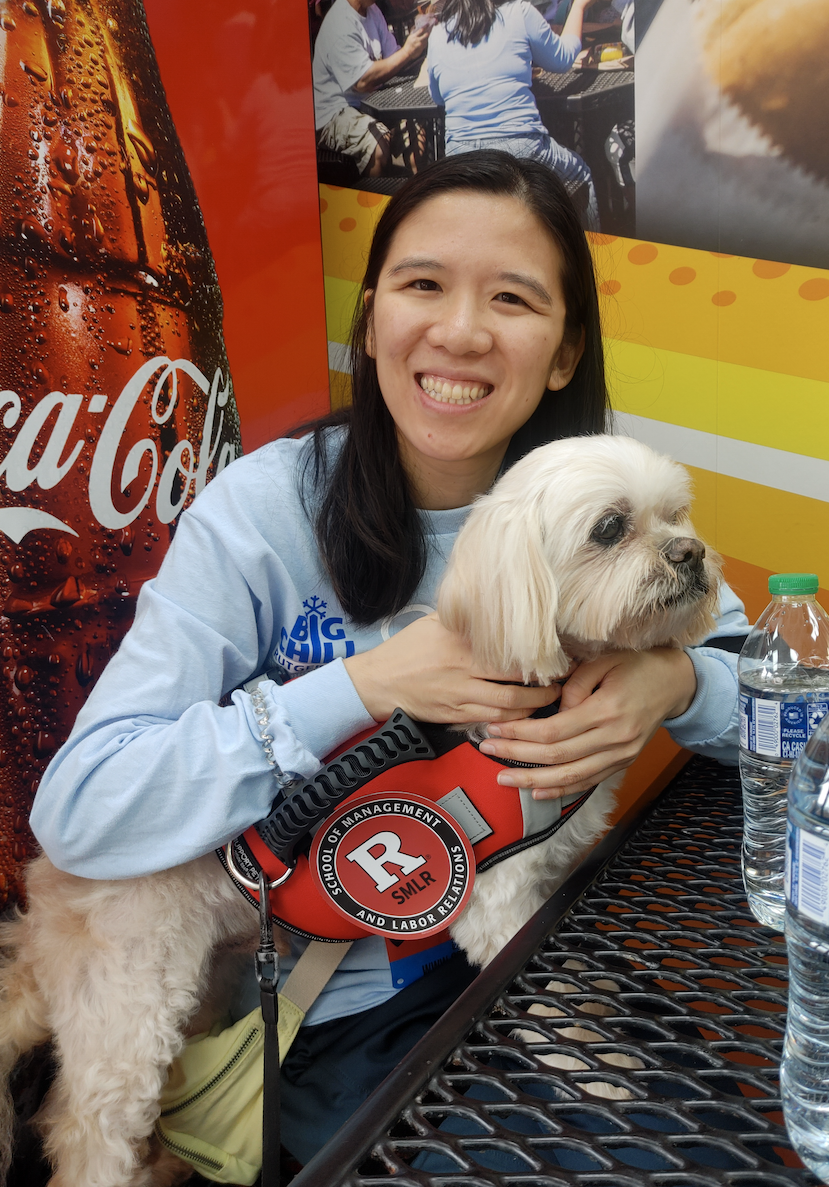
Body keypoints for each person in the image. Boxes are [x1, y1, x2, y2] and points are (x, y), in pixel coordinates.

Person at [30, 151, 748, 1165]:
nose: (459, 330)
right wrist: (360, 687)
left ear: (564, 351)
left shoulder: (600, 498)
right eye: (422, 285)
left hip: (534, 944)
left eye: (511, 297)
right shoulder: (264, 513)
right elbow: (81, 809)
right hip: (321, 1005)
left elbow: (791, 700)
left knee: (711, 1143)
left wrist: (677, 681)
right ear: (369, 322)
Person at [425, 0, 600, 229]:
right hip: (519, 145)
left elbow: (438, 96)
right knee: (580, 174)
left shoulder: (438, 33)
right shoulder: (520, 12)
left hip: (460, 152)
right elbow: (563, 58)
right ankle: (592, 259)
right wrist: (578, 7)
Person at [312, 0, 430, 177]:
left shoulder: (373, 11)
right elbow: (362, 82)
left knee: (415, 127)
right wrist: (407, 52)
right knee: (377, 144)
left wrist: (417, 38)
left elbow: (393, 57)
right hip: (333, 113)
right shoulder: (340, 23)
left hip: (372, 102)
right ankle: (374, 200)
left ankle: (418, 188)